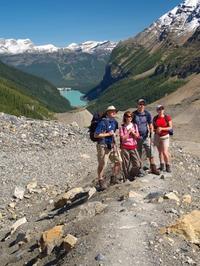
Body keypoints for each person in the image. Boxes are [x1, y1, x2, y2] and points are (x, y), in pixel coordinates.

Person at [94, 105, 121, 190]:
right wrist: (108, 134)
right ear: (108, 112)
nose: (114, 112)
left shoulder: (115, 122)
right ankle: (100, 180)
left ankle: (114, 178)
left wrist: (115, 137)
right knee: (102, 164)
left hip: (112, 145)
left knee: (119, 161)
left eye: (115, 111)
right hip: (103, 145)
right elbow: (96, 135)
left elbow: (115, 132)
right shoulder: (103, 122)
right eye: (112, 111)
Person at [133, 99, 160, 175]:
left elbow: (150, 123)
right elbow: (131, 125)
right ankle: (139, 169)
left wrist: (151, 130)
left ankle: (153, 168)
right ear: (137, 105)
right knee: (139, 154)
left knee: (150, 152)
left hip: (146, 136)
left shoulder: (147, 114)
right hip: (137, 138)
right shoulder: (134, 114)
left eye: (143, 104)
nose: (142, 106)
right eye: (140, 104)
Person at [119, 111, 141, 181]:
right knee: (125, 164)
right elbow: (123, 139)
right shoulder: (122, 127)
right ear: (125, 117)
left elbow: (137, 136)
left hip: (133, 146)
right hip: (125, 147)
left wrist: (133, 133)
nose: (130, 118)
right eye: (128, 116)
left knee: (138, 164)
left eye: (131, 116)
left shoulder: (134, 125)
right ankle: (126, 177)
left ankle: (132, 173)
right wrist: (128, 132)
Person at [153, 105, 172, 172]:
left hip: (165, 137)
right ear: (157, 111)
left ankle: (168, 165)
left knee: (165, 152)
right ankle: (162, 165)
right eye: (159, 109)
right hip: (158, 136)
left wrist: (162, 128)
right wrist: (155, 130)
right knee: (160, 152)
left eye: (162, 109)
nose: (161, 111)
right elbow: (154, 127)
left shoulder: (167, 118)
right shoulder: (155, 118)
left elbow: (170, 127)